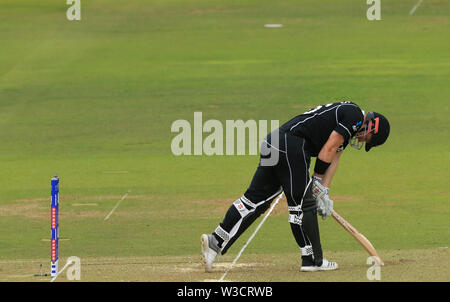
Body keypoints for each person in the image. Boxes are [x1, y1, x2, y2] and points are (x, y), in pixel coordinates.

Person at [201, 101, 390, 272]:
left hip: (275, 142)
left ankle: (215, 241)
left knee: (254, 201)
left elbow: (334, 158)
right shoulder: (355, 115)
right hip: (293, 146)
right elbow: (329, 148)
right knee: (301, 206)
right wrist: (316, 182)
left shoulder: (349, 122)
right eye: (368, 138)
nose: (363, 140)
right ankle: (312, 260)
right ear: (371, 125)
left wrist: (324, 191)